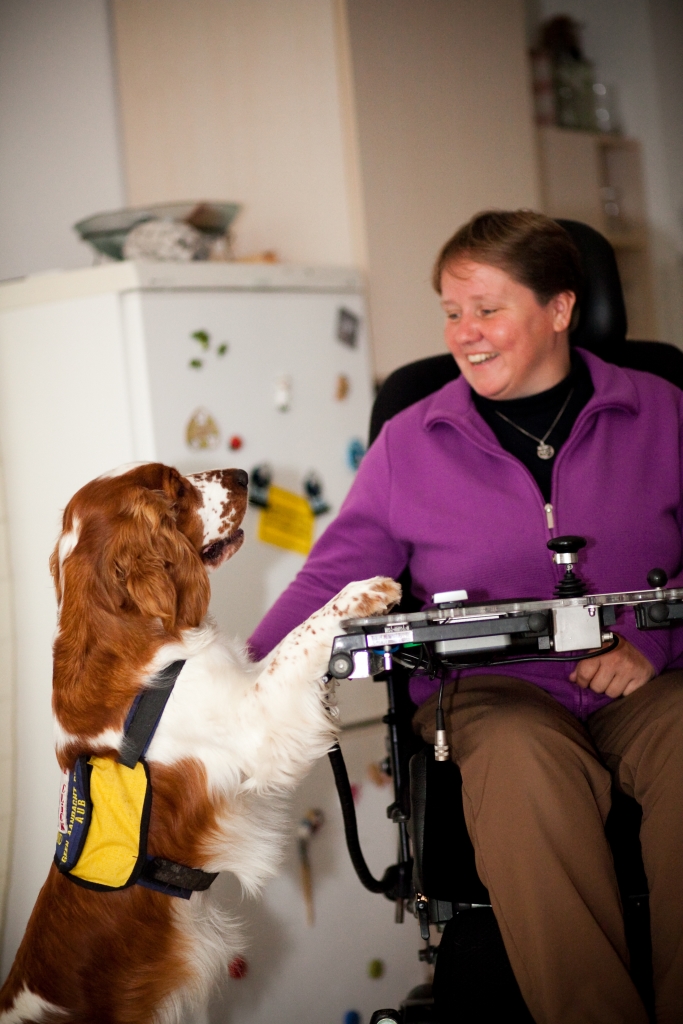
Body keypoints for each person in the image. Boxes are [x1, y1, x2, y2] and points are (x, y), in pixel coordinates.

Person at [248, 210, 683, 1024]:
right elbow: (334, 579)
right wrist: (242, 684)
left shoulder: (663, 409)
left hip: (649, 680)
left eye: (486, 309)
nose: (465, 333)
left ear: (558, 309)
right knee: (521, 761)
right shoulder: (411, 441)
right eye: (451, 312)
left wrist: (655, 642)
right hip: (492, 693)